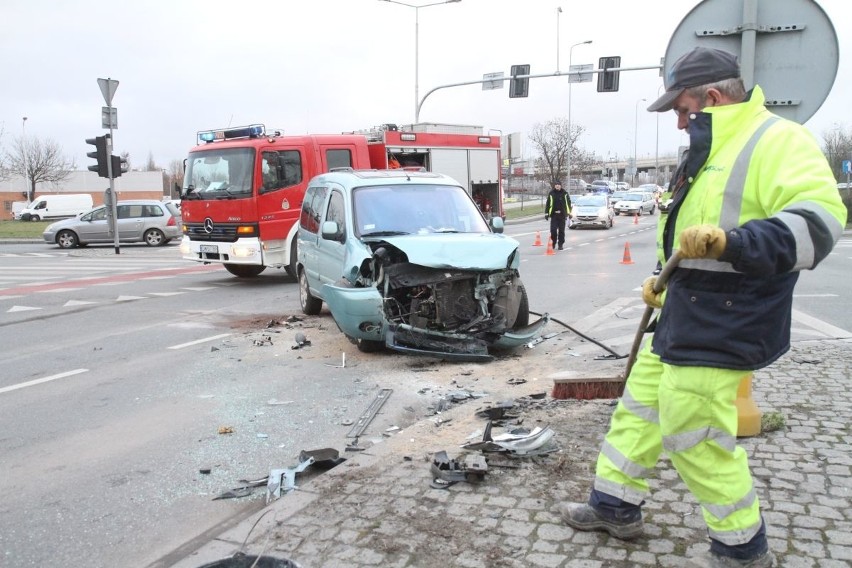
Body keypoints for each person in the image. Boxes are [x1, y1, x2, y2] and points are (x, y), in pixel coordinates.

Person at [556, 47, 846, 567]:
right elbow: (691, 238)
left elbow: (819, 227)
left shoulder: (778, 141)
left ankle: (742, 549)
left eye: (681, 109)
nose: (677, 119)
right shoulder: (709, 148)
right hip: (686, 311)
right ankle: (614, 505)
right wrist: (662, 282)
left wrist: (731, 243)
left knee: (694, 434)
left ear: (711, 97)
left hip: (731, 319)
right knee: (639, 409)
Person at [544, 182, 572, 250]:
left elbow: (568, 204)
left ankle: (560, 244)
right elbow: (548, 204)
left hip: (562, 215)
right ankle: (553, 243)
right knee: (553, 230)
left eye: (558, 185)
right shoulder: (551, 193)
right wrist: (546, 213)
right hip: (554, 215)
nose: (557, 186)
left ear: (560, 186)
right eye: (556, 185)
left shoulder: (565, 193)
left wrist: (569, 213)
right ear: (555, 186)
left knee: (561, 231)